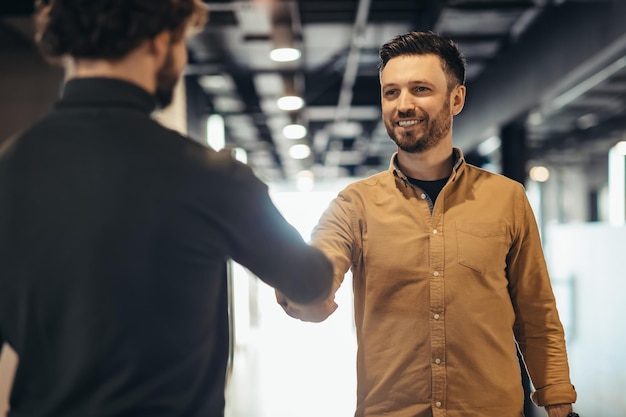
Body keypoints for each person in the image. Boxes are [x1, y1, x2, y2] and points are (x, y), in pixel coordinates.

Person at [0, 1, 334, 416]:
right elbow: (310, 280)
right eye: (182, 43)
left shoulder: (8, 170)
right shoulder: (211, 176)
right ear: (160, 42)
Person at [276, 31, 578, 417]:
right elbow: (322, 259)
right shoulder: (356, 204)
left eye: (420, 89)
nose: (403, 105)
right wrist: (303, 288)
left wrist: (558, 401)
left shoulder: (507, 199)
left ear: (456, 99)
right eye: (391, 92)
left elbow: (536, 313)